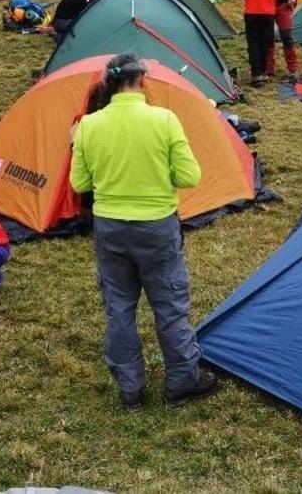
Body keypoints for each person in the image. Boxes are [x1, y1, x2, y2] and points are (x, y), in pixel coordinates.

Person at [70, 52, 217, 412]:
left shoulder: (89, 126)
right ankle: (182, 380)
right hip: (157, 227)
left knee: (118, 307)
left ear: (109, 83)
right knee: (169, 304)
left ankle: (130, 388)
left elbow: (79, 182)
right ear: (142, 80)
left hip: (110, 228)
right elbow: (189, 177)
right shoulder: (165, 120)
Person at [265, 0, 302, 82]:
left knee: (287, 37)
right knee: (267, 38)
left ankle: (293, 69)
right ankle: (269, 68)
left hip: (283, 6)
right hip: (267, 7)